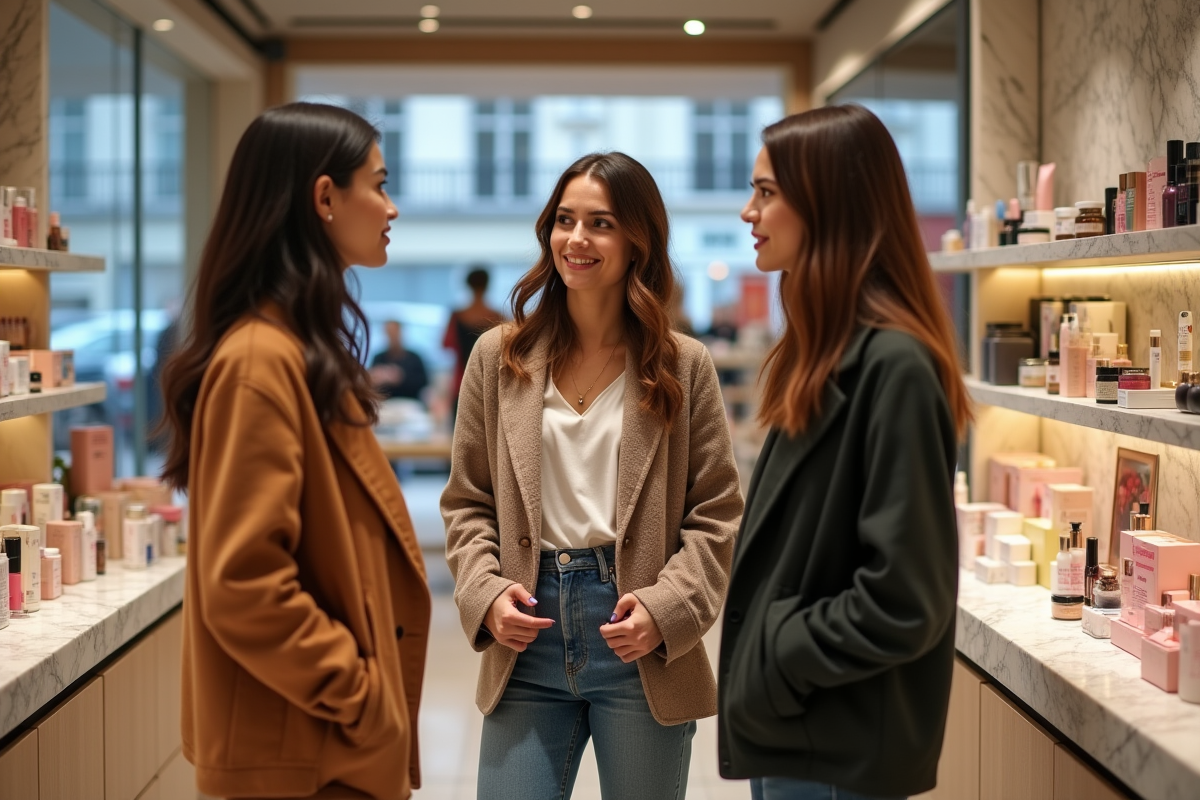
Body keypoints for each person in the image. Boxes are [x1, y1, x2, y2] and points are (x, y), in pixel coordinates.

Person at [441, 152, 743, 800]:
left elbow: (716, 512)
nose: (576, 239)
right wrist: (486, 593)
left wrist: (668, 609)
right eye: (565, 220)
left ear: (638, 240)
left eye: (600, 223)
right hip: (526, 631)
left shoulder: (682, 365)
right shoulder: (499, 358)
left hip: (639, 637)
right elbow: (466, 501)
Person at [158, 102, 431, 800]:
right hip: (302, 756)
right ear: (324, 197)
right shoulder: (261, 361)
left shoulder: (297, 352)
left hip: (315, 749)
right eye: (379, 182)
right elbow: (245, 583)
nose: (391, 206)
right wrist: (362, 695)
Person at [718, 105, 970, 800]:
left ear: (828, 201)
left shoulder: (895, 367)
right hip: (800, 727)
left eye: (766, 192)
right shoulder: (822, 355)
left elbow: (904, 598)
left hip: (838, 741)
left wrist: (778, 649)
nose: (748, 212)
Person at [443, 266, 503, 417]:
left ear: (468, 285)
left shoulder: (457, 316)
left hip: (461, 381)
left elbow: (446, 344)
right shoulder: (496, 316)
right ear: (488, 285)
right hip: (491, 383)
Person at [371, 320, 429, 401]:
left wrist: (401, 377)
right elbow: (371, 384)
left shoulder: (414, 358)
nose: (392, 336)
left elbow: (424, 383)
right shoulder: (378, 358)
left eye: (394, 332)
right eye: (389, 333)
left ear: (401, 332)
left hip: (410, 403)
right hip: (386, 403)